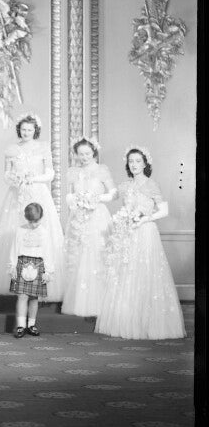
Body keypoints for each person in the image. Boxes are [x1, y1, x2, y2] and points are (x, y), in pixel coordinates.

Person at [95, 147, 185, 340]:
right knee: (126, 273)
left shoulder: (151, 184)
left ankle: (146, 323)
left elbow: (164, 210)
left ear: (145, 163)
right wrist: (90, 195)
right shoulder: (125, 185)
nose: (134, 165)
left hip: (145, 232)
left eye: (137, 161)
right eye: (131, 161)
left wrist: (145, 219)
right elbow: (110, 196)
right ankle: (127, 321)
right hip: (127, 233)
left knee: (145, 274)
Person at [0, 113, 65, 300]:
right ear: (19, 130)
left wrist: (33, 178)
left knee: (41, 232)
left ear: (35, 130)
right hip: (17, 194)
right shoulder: (12, 149)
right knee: (15, 232)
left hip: (38, 192)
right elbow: (6, 175)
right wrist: (15, 179)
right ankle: (14, 281)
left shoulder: (43, 148)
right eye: (23, 129)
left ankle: (42, 281)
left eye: (30, 130)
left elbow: (50, 174)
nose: (26, 132)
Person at [60, 137, 116, 317]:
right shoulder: (73, 172)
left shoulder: (102, 170)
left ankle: (101, 303)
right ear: (76, 154)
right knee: (78, 255)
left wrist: (96, 199)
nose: (84, 157)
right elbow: (68, 195)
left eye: (87, 153)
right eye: (80, 154)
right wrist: (75, 201)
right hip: (79, 216)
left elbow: (113, 193)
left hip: (98, 215)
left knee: (97, 254)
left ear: (94, 153)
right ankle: (79, 302)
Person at [8, 202, 54, 338]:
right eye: (30, 221)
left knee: (34, 298)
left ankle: (31, 325)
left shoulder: (44, 232)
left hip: (38, 264)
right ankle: (21, 325)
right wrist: (12, 266)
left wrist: (48, 271)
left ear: (41, 218)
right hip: (22, 263)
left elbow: (48, 252)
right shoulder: (20, 230)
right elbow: (14, 249)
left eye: (36, 221)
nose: (33, 224)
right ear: (26, 218)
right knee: (22, 296)